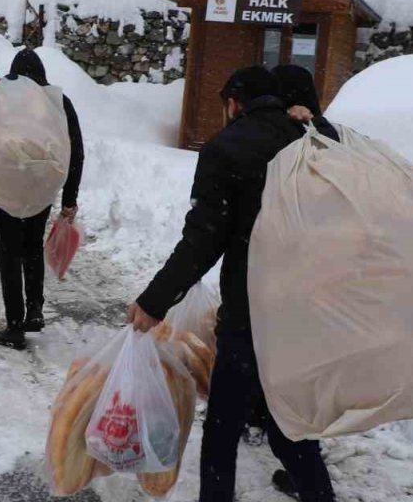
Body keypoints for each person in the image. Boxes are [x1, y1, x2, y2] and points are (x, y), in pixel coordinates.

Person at [127, 64, 338, 502]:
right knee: (289, 427)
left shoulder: (227, 149)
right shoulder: (311, 138)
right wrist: (316, 121)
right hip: (307, 313)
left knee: (222, 430)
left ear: (234, 103)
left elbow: (203, 240)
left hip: (251, 315)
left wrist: (154, 301)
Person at [0, 48, 84, 350]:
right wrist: (69, 197)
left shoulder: (3, 102)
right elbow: (76, 152)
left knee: (10, 254)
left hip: (8, 188)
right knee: (31, 247)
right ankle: (35, 311)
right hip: (40, 189)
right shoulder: (58, 104)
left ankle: (14, 325)